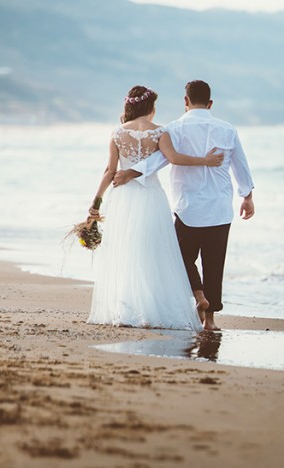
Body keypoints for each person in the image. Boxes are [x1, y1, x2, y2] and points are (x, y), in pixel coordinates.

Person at [113, 80, 255, 332]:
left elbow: (160, 159)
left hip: (187, 208)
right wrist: (247, 196)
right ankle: (210, 321)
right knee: (215, 263)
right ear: (210, 104)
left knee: (181, 259)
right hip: (220, 209)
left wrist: (131, 173)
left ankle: (198, 295)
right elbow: (240, 164)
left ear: (185, 101)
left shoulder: (175, 128)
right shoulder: (227, 129)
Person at [87, 85, 224, 330]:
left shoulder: (117, 133)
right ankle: (151, 311)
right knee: (153, 251)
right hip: (151, 197)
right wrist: (205, 161)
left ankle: (127, 308)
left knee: (127, 251)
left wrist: (95, 202)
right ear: (150, 107)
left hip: (124, 198)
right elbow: (175, 159)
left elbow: (109, 171)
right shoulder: (159, 131)